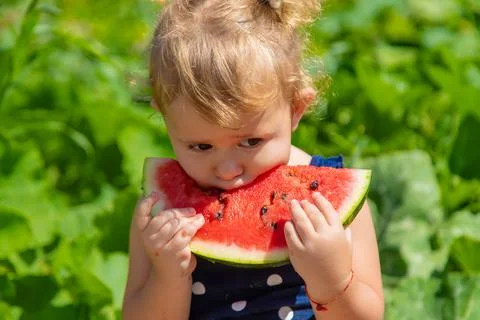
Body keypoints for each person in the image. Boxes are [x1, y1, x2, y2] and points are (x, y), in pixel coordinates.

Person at [122, 0, 384, 319]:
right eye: (201, 147)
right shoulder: (159, 218)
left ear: (296, 110)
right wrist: (167, 277)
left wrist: (332, 278)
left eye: (250, 141)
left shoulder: (332, 208)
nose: (229, 170)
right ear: (166, 120)